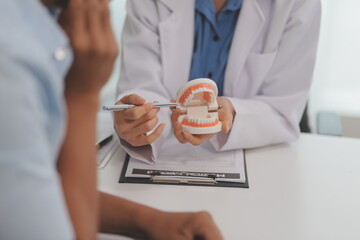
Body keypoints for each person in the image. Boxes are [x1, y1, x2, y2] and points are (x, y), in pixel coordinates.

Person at [0, 0, 223, 239]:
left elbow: (43, 192)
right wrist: (82, 94)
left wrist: (148, 221)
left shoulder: (31, 21)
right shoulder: (10, 63)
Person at [114, 0, 322, 162]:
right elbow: (142, 85)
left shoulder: (297, 5)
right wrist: (138, 121)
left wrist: (232, 112)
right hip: (165, 156)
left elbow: (282, 110)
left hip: (258, 160)